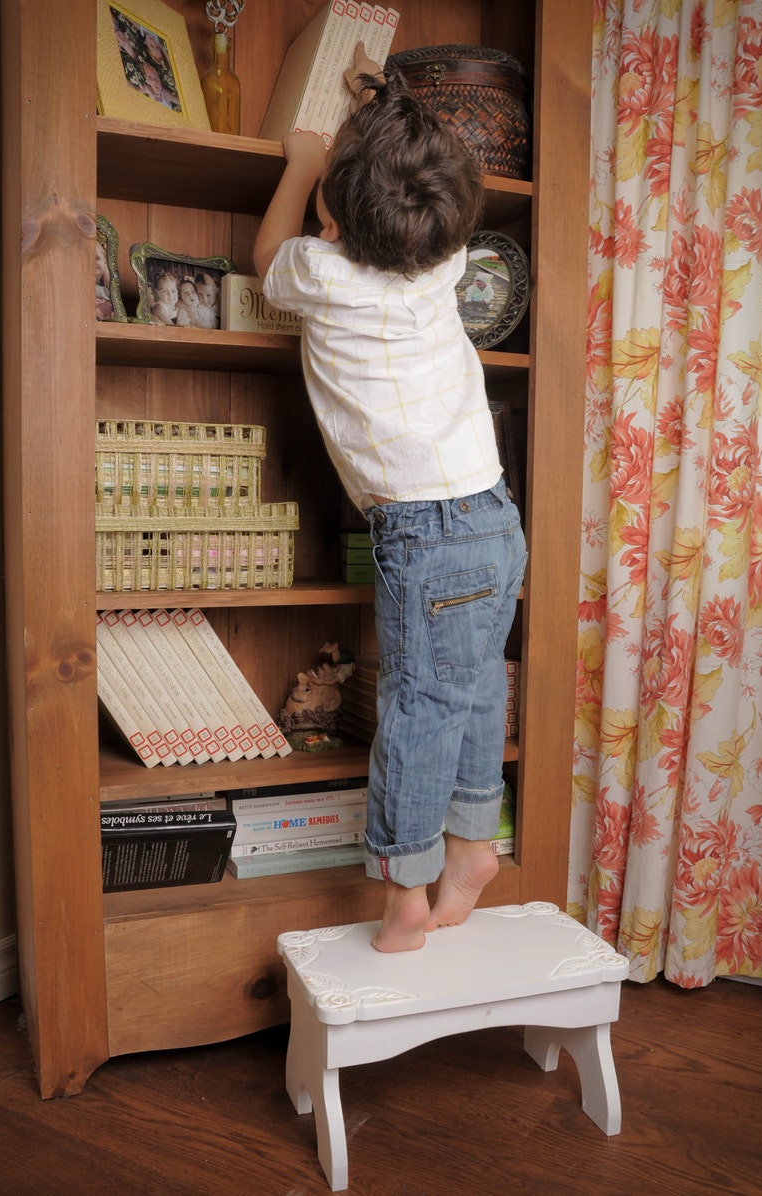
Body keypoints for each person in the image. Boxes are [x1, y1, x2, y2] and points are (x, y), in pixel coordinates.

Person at [253, 44, 527, 953]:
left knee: (418, 708)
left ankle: (407, 890)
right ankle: (474, 844)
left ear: (333, 217)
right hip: (495, 520)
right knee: (474, 683)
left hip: (429, 534)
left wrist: (301, 163)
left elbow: (266, 257)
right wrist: (383, 94)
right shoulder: (445, 262)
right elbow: (413, 180)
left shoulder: (319, 273)